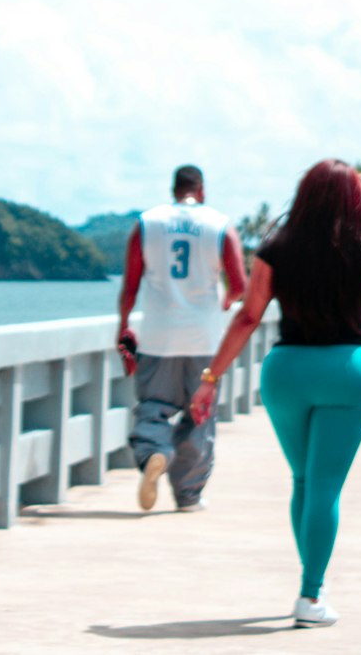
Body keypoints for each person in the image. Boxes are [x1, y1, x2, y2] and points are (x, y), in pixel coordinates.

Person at [190, 160, 361, 630]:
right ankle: (310, 594)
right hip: (348, 373)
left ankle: (314, 581)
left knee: (304, 481)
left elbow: (248, 316)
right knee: (325, 486)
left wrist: (211, 379)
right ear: (354, 199)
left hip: (287, 373)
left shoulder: (277, 246)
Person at [117, 164, 247, 511]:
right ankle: (189, 495)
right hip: (204, 338)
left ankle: (155, 451)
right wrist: (221, 304)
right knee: (199, 414)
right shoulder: (220, 225)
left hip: (158, 336)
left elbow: (130, 285)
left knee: (154, 407)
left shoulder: (147, 223)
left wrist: (124, 325)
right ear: (201, 190)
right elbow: (239, 285)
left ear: (173, 189)